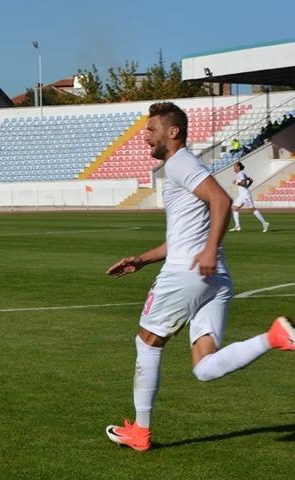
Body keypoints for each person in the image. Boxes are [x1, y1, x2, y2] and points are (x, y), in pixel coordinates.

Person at [104, 102, 294, 452]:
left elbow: (221, 201)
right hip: (215, 277)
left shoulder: (181, 162)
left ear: (172, 132)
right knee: (204, 367)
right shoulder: (178, 167)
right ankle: (275, 337)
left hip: (188, 272)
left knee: (147, 342)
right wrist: (142, 259)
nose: (145, 136)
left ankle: (140, 433)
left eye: (150, 130)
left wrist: (207, 250)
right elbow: (182, 237)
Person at [229, 162, 269, 233]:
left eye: (235, 166)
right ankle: (237, 226)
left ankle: (264, 223)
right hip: (242, 195)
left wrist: (236, 183)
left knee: (252, 209)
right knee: (234, 208)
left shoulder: (241, 174)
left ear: (238, 167)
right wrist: (247, 186)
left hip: (245, 195)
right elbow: (251, 180)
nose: (234, 168)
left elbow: (244, 183)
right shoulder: (241, 173)